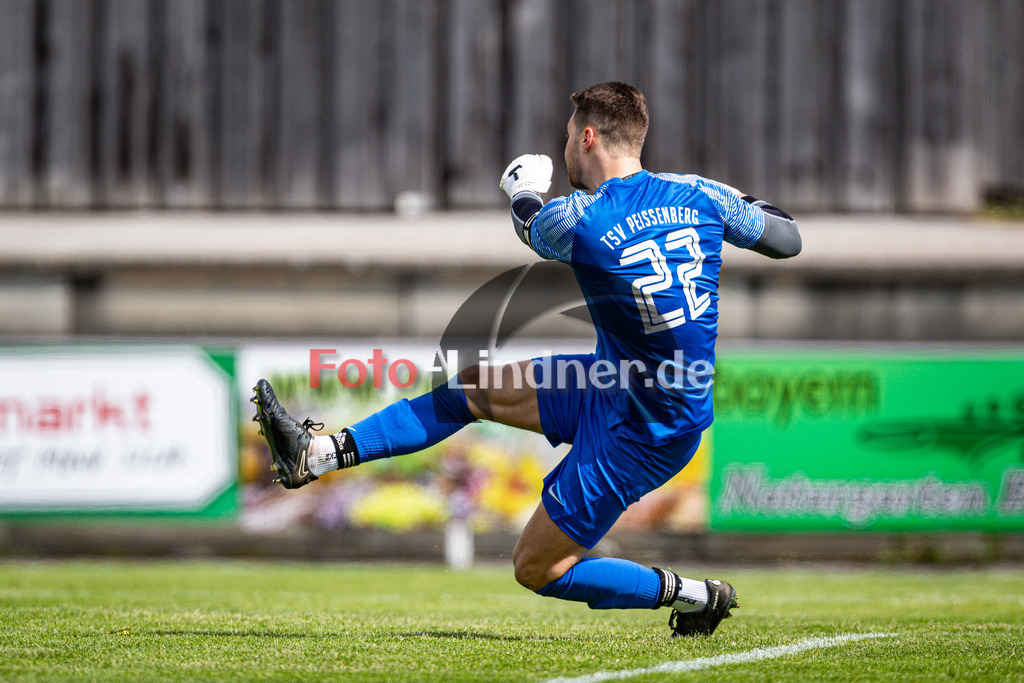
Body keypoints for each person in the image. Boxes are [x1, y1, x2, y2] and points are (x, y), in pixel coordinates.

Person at [252, 81, 800, 637]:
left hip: (644, 430)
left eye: (567, 137)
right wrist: (735, 198)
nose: (564, 151)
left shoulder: (586, 219)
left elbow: (530, 224)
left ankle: (692, 595)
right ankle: (317, 455)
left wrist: (522, 188)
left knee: (536, 568)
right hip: (620, 385)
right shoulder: (700, 197)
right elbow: (787, 239)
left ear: (587, 137)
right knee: (473, 389)